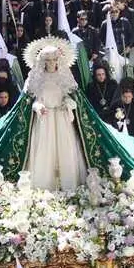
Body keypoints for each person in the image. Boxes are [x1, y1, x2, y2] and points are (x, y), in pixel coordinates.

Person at [22, 38, 87, 191]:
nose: (51, 63)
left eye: (54, 59)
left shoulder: (65, 77)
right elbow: (33, 100)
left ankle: (68, 184)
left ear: (59, 60)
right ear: (42, 61)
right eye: (48, 60)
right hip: (45, 121)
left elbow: (73, 99)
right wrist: (38, 107)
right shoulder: (37, 79)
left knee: (66, 150)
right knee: (44, 152)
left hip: (62, 119)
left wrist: (68, 104)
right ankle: (44, 186)